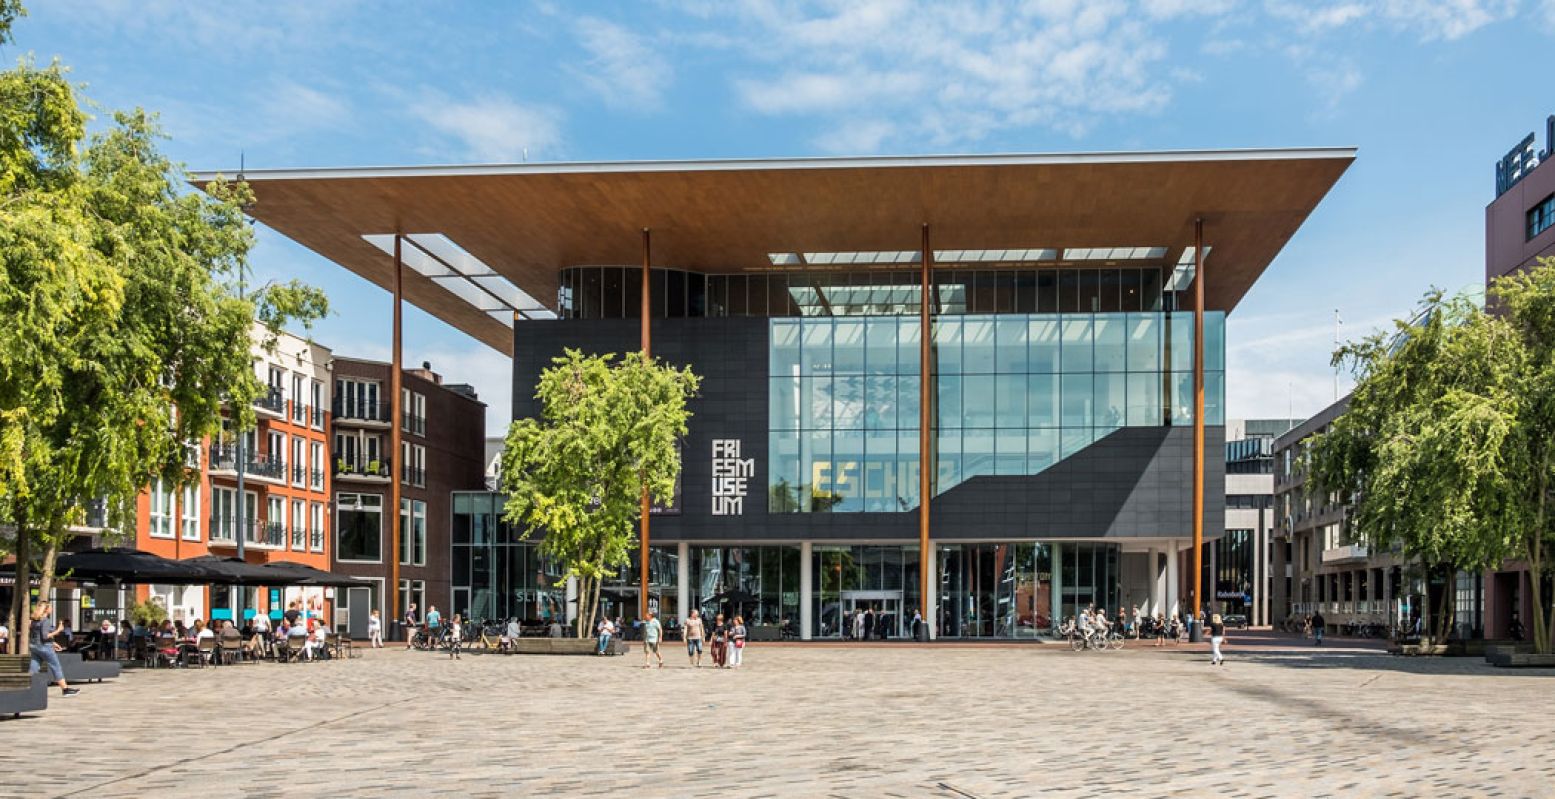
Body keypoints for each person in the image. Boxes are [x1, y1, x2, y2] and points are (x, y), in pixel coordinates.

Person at [27, 603, 79, 696]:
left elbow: (37, 635)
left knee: (34, 667)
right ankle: (65, 690)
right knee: (56, 667)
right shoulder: (45, 620)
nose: (52, 609)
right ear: (46, 610)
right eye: (50, 608)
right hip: (45, 647)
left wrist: (53, 643)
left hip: (34, 647)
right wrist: (58, 630)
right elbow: (45, 636)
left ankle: (29, 688)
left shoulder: (35, 620)